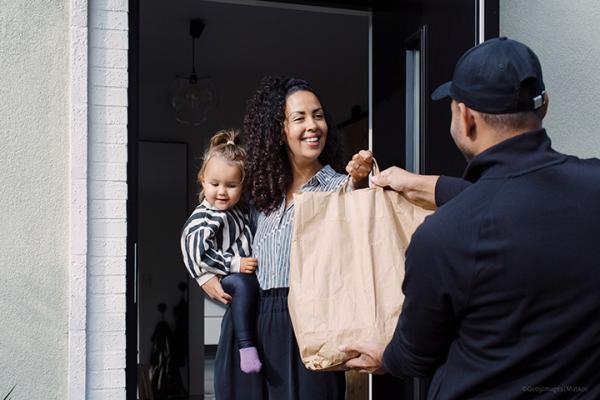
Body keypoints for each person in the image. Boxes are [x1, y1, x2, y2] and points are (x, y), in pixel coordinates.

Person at [341, 37, 600, 399]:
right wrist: (419, 184)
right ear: (544, 107)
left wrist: (386, 357)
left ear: (465, 117)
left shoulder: (444, 235)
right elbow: (522, 202)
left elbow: (415, 355)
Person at [201, 76, 371, 399]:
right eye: (300, 118)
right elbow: (204, 229)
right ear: (279, 130)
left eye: (318, 115)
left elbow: (361, 239)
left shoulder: (340, 187)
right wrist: (205, 275)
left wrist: (360, 183)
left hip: (307, 328)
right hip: (247, 328)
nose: (313, 126)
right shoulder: (258, 194)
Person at [180, 129, 262, 374]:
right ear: (202, 179)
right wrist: (234, 264)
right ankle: (246, 348)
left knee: (250, 291)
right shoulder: (205, 217)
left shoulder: (237, 210)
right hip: (228, 275)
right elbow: (198, 252)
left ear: (242, 185)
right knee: (243, 286)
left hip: (243, 273)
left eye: (231, 185)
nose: (222, 192)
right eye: (214, 184)